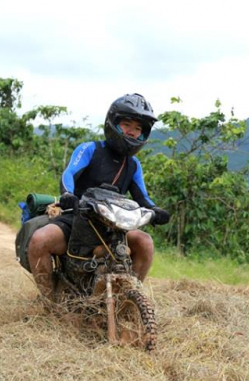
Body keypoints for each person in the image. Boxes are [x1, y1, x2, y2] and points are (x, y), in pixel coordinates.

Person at [27, 93, 171, 301]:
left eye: (138, 128)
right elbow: (69, 174)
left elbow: (143, 198)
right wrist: (68, 194)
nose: (132, 131)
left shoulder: (133, 165)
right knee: (40, 240)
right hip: (76, 217)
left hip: (114, 225)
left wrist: (156, 210)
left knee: (145, 242)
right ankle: (51, 302)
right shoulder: (90, 149)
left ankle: (127, 299)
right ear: (113, 123)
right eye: (126, 124)